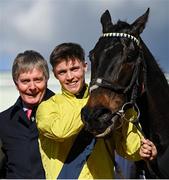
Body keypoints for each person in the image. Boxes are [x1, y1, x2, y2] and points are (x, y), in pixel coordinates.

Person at [36, 42, 157, 179]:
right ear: (55, 75)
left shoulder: (110, 101)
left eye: (74, 68)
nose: (70, 77)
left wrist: (141, 150)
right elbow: (60, 131)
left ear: (85, 67)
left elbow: (130, 150)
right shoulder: (46, 108)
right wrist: (97, 101)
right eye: (62, 72)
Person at [0, 50, 54, 178]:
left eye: (38, 80)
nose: (32, 87)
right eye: (25, 81)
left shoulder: (63, 112)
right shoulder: (3, 121)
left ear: (46, 80)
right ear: (16, 84)